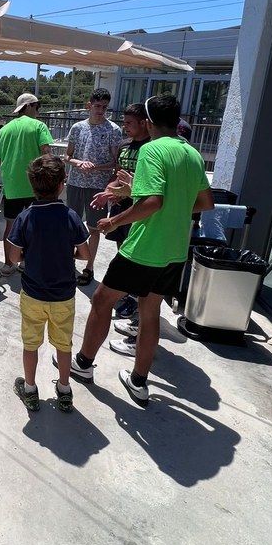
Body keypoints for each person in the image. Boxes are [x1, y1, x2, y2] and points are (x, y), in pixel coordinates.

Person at [69, 94, 214, 408]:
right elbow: (204, 203)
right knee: (151, 312)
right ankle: (138, 382)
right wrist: (134, 191)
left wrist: (113, 221)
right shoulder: (192, 154)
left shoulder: (151, 149)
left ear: (148, 122)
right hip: (176, 250)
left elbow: (153, 202)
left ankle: (82, 364)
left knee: (101, 300)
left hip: (145, 248)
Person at [8, 155, 90, 413]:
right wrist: (68, 253)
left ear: (32, 185)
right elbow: (85, 254)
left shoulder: (25, 217)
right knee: (63, 345)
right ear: (62, 184)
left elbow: (13, 256)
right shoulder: (71, 216)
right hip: (64, 296)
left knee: (30, 344)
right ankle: (64, 390)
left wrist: (28, 255)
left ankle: (30, 390)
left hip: (33, 294)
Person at [64, 88, 123, 287]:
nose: (100, 110)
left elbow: (115, 163)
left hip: (98, 186)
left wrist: (96, 167)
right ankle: (69, 261)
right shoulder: (77, 128)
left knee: (94, 228)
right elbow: (67, 156)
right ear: (89, 105)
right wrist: (79, 163)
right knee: (72, 225)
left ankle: (89, 266)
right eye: (97, 106)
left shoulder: (113, 130)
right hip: (75, 183)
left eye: (104, 107)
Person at [0, 93, 53, 277]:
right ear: (28, 106)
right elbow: (46, 155)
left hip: (11, 186)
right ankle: (26, 262)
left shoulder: (4, 130)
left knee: (10, 226)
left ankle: (8, 264)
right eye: (37, 106)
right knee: (33, 226)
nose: (38, 111)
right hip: (35, 186)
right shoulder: (39, 126)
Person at [107, 103, 151, 324]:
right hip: (120, 207)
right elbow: (118, 175)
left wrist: (128, 193)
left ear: (143, 123)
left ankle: (135, 297)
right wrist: (110, 191)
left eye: (129, 123)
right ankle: (126, 291)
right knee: (122, 251)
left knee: (136, 255)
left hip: (139, 210)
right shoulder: (124, 145)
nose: (125, 127)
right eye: (124, 122)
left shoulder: (151, 148)